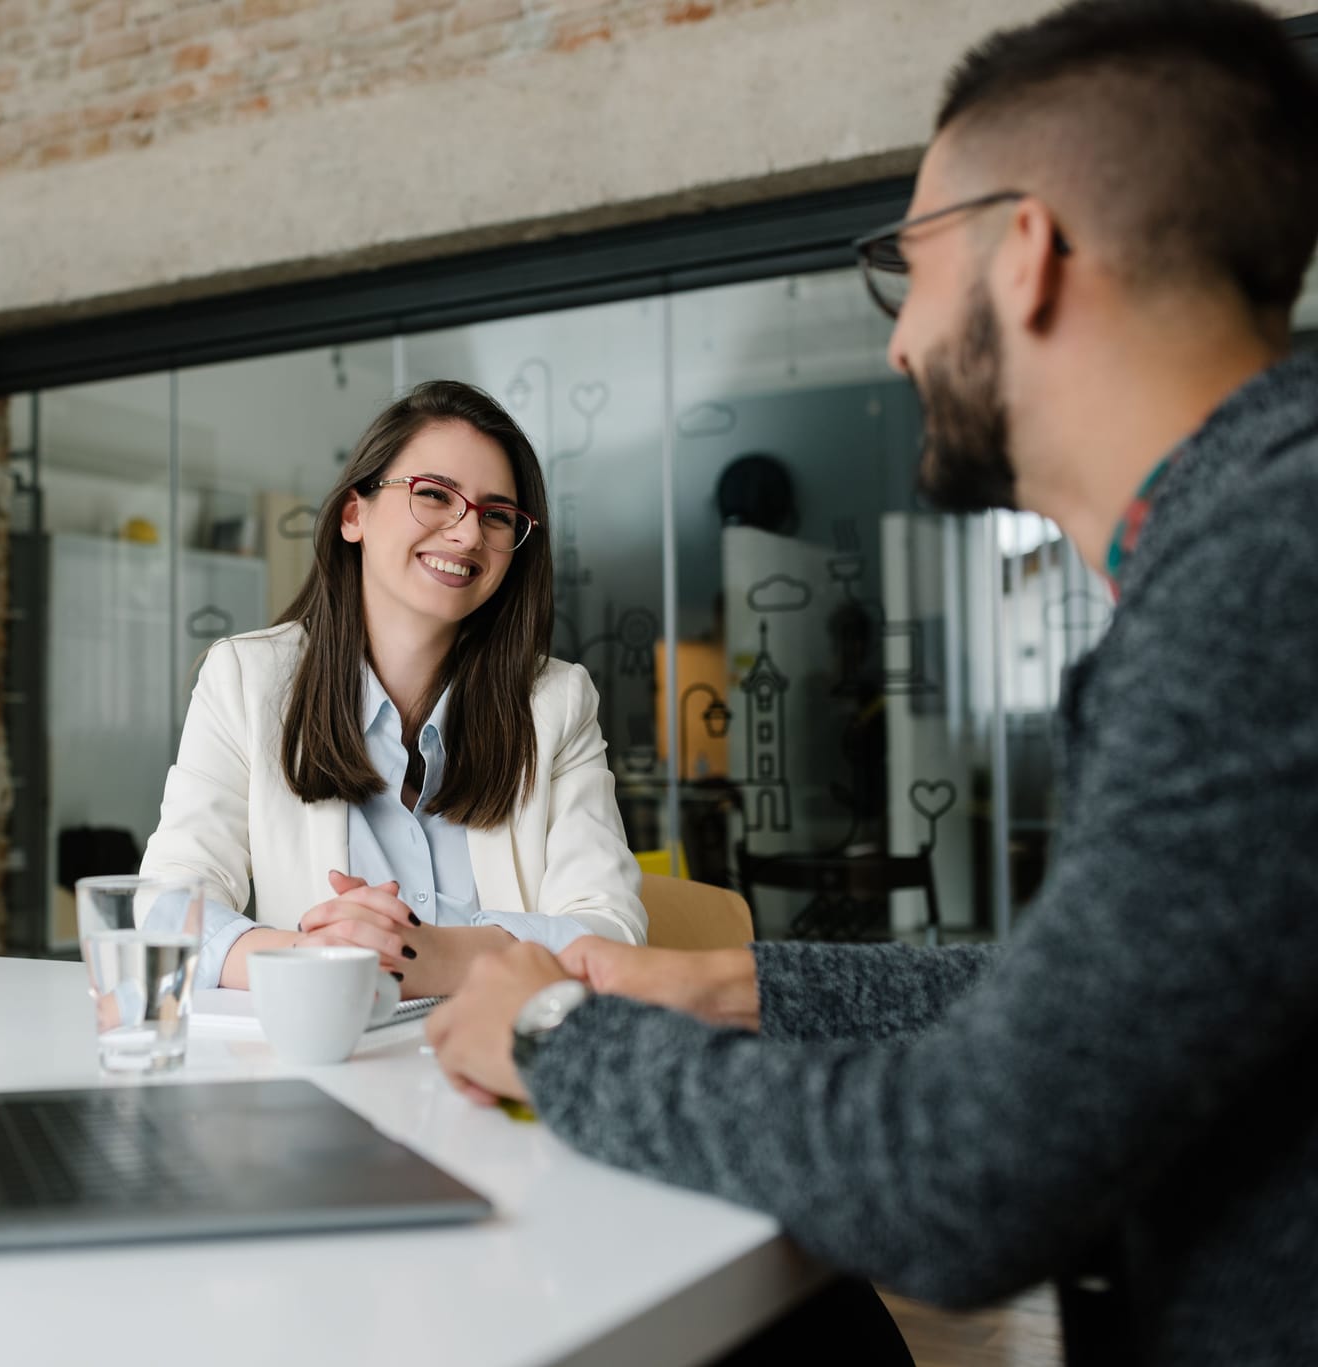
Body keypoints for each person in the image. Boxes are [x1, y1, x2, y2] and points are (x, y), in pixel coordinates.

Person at [427, 2, 1318, 1363]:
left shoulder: (1262, 581)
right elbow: (1076, 1008)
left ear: (1025, 255)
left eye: (909, 268)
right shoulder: (1253, 542)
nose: (898, 345)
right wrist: (733, 983)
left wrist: (551, 1035)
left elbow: (966, 1168)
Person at [139, 380, 646, 996]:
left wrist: (434, 956)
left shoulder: (556, 702)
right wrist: (314, 957)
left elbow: (613, 932)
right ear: (354, 514)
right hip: (330, 1043)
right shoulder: (246, 681)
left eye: (497, 515)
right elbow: (167, 904)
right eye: (434, 495)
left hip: (502, 1045)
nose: (467, 534)